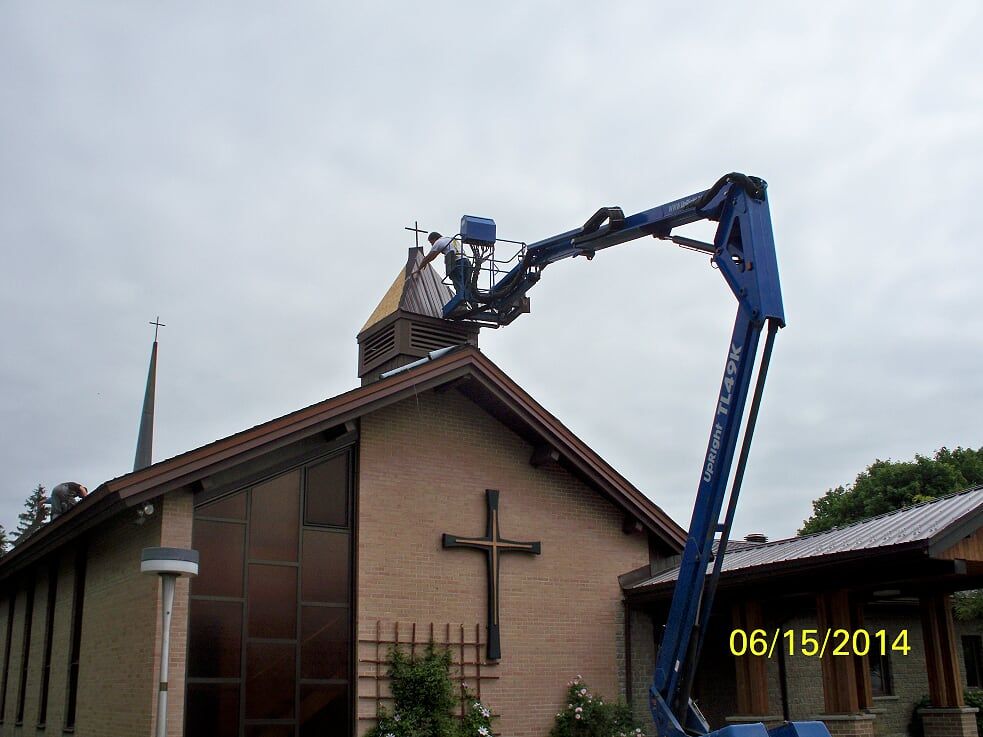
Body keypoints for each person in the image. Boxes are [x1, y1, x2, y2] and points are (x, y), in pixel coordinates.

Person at [416, 231, 474, 297]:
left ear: (434, 239)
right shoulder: (450, 239)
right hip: (466, 261)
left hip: (456, 262)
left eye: (431, 242)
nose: (432, 244)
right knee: (467, 284)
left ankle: (461, 299)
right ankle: (472, 301)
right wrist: (427, 262)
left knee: (457, 280)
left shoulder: (439, 242)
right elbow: (433, 257)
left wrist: (419, 269)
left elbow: (430, 256)